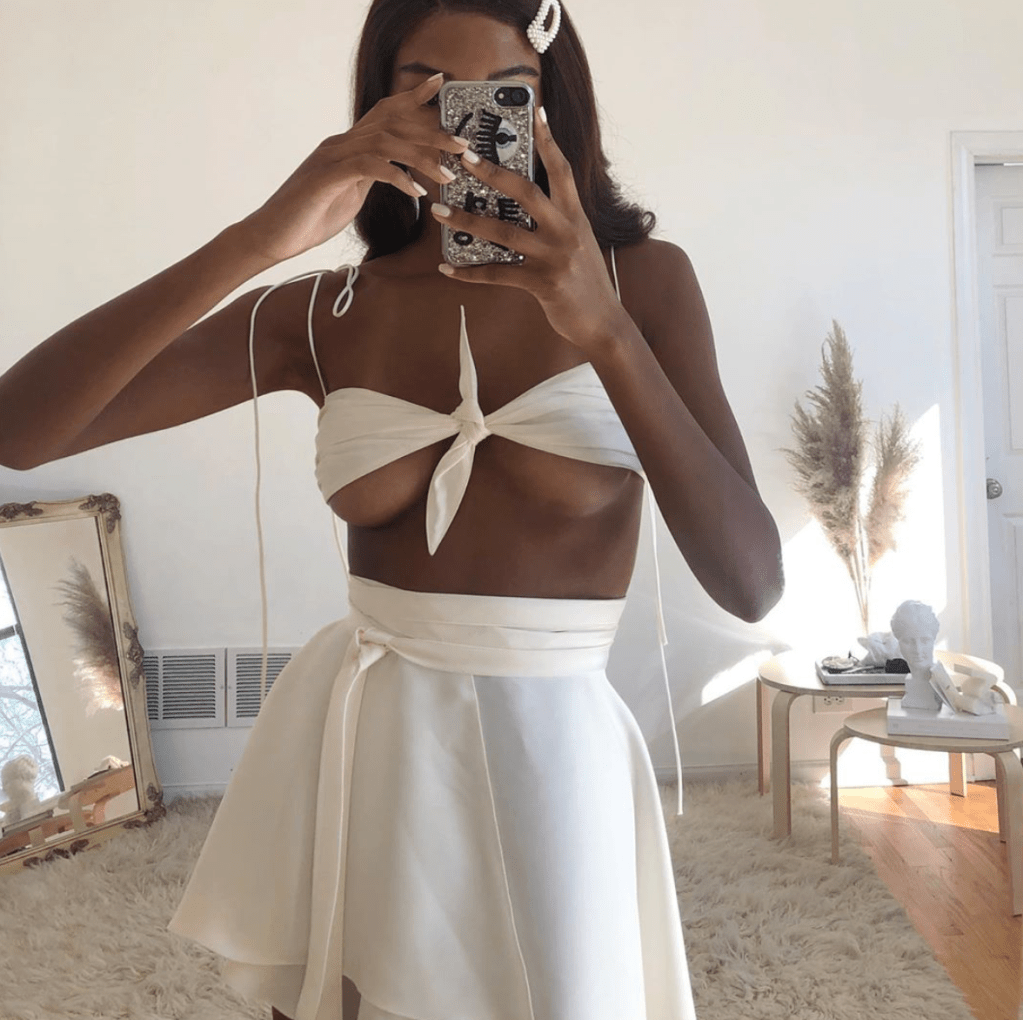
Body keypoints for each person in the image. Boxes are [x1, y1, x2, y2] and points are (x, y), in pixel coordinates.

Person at [0, 1, 784, 1018]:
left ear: (549, 108)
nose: (466, 125)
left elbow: (751, 583)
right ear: (377, 110)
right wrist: (261, 237)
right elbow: (22, 430)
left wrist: (604, 330)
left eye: (503, 94)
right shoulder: (329, 311)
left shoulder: (645, 285)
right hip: (362, 742)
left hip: (555, 751)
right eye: (427, 91)